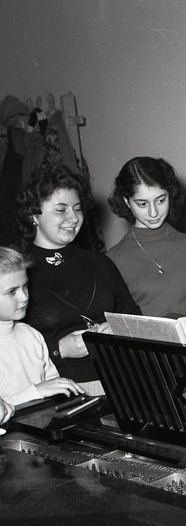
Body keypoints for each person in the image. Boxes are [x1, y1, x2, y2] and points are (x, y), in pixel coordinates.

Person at [15, 164, 140, 391]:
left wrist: (120, 328)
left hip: (126, 380)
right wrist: (59, 349)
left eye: (78, 208)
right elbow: (9, 349)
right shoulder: (17, 272)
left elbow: (134, 317)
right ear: (34, 215)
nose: (74, 218)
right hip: (64, 390)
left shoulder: (100, 262)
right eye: (61, 210)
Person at [107, 157, 186, 321]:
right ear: (127, 202)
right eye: (142, 204)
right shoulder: (112, 261)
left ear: (170, 194)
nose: (153, 212)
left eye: (161, 200)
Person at [0, 246, 83, 406]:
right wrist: (35, 392)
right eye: (12, 292)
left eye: (25, 286)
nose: (24, 297)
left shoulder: (30, 334)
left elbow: (52, 384)